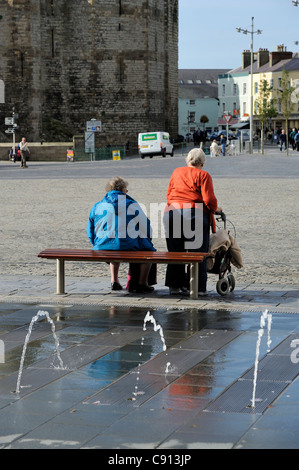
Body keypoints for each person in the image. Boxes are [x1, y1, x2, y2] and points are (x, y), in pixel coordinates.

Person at [163, 148, 222, 296]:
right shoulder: (203, 175)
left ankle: (175, 287)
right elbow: (208, 199)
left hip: (173, 212)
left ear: (187, 160)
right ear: (202, 163)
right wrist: (214, 209)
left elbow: (169, 193)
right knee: (198, 253)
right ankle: (198, 288)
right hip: (195, 215)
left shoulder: (176, 172)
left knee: (175, 252)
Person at [87, 176, 156, 293]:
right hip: (126, 246)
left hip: (102, 247)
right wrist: (148, 240)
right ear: (123, 190)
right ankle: (142, 283)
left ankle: (114, 280)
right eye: (126, 190)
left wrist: (97, 244)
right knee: (148, 251)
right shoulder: (132, 204)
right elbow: (146, 225)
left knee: (113, 244)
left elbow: (90, 229)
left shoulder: (97, 205)